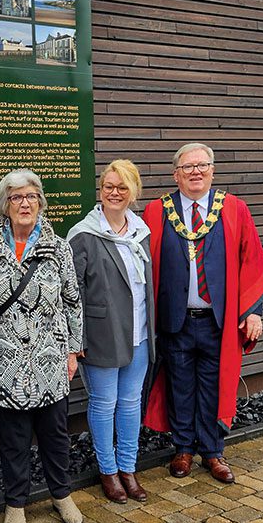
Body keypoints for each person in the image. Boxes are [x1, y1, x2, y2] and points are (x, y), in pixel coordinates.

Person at [142, 143, 263, 484]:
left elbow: (252, 261)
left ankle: (213, 451)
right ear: (176, 174)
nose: (195, 172)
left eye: (202, 165)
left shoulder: (233, 209)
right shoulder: (158, 211)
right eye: (187, 167)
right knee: (180, 386)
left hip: (219, 321)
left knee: (214, 386)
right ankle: (183, 448)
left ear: (213, 170)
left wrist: (253, 311)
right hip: (175, 320)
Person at [0, 169, 84, 523]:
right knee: (14, 438)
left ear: (41, 203)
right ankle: (16, 505)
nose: (25, 204)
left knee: (55, 433)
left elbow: (72, 301)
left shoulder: (59, 247)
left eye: (31, 197)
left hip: (50, 358)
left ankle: (61, 494)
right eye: (17, 198)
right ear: (5, 205)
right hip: (4, 362)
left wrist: (73, 350)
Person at [68, 159, 155, 504]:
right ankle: (108, 471)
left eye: (122, 187)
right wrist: (77, 341)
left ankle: (128, 468)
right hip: (101, 336)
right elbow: (70, 292)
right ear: (100, 190)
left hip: (140, 334)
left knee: (131, 402)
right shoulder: (84, 234)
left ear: (133, 192)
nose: (115, 193)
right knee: (105, 403)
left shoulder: (142, 232)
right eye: (109, 187)